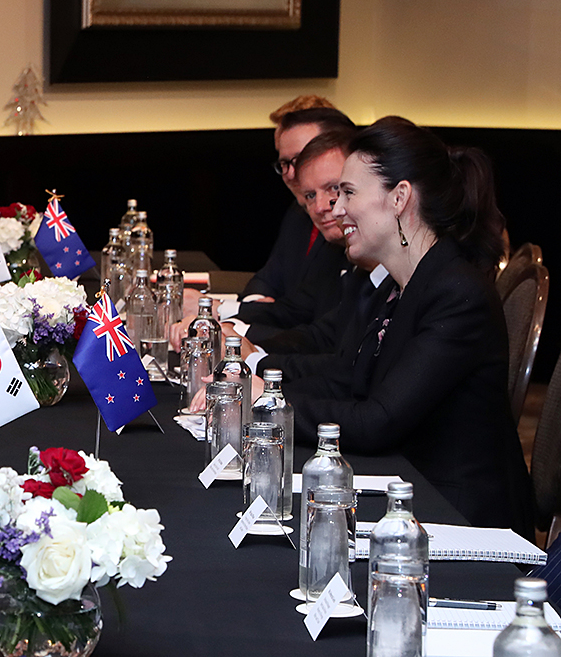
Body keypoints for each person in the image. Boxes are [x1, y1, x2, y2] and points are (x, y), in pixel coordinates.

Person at [281, 117, 532, 535]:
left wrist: (271, 408)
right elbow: (348, 376)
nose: (335, 209)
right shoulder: (403, 285)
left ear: (399, 198)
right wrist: (264, 385)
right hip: (412, 494)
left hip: (463, 522)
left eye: (348, 193)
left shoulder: (456, 292)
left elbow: (377, 421)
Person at [215, 130, 354, 344]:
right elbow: (293, 309)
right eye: (310, 195)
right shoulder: (328, 242)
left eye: (334, 188)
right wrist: (220, 323)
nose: (319, 207)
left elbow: (326, 344)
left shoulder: (378, 262)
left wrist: (242, 343)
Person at [240, 103, 354, 301]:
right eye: (285, 163)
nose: (293, 174)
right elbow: (268, 279)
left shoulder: (348, 228)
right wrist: (250, 308)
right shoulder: (298, 212)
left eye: (302, 159)